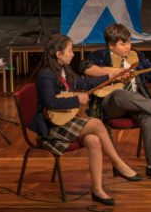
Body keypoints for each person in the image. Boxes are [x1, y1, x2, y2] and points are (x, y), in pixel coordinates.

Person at [31, 34, 140, 206]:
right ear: (59, 54)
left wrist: (112, 77)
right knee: (96, 123)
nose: (73, 54)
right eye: (70, 50)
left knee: (94, 140)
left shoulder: (64, 70)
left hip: (65, 121)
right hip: (51, 127)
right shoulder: (47, 74)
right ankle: (118, 164)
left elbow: (85, 83)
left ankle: (97, 190)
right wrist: (77, 100)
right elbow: (50, 102)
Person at [80, 24, 151, 181]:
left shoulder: (137, 56)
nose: (128, 46)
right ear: (111, 45)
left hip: (136, 103)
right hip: (111, 105)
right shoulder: (100, 56)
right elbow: (85, 67)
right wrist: (113, 72)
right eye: (123, 44)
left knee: (150, 117)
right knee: (121, 93)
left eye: (129, 42)